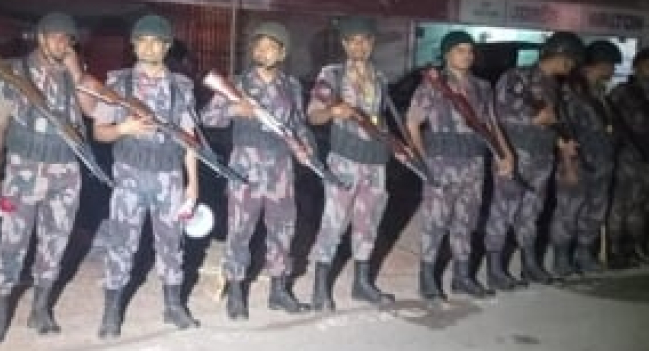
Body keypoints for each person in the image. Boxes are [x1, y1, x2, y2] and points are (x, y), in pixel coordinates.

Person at [0, 12, 88, 344]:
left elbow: (90, 110)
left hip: (65, 170)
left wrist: (76, 72)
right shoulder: (13, 72)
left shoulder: (73, 74)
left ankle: (40, 309)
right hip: (23, 170)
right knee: (12, 242)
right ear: (40, 38)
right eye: (56, 36)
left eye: (68, 39)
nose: (62, 43)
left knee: (55, 241)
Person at [93, 14, 200, 336]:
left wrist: (193, 184)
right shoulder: (118, 84)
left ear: (167, 47)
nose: (149, 47)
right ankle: (111, 312)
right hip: (130, 175)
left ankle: (173, 306)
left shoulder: (182, 87)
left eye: (156, 42)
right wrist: (122, 128)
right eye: (143, 41)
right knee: (121, 242)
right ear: (134, 45)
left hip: (169, 176)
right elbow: (99, 132)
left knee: (171, 242)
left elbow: (189, 137)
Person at [202, 21, 311, 320]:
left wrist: (306, 148)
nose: (263, 52)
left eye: (270, 47)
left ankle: (279, 291)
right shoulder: (237, 84)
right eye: (259, 47)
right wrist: (233, 109)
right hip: (245, 168)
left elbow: (299, 125)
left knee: (283, 230)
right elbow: (207, 118)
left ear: (282, 53)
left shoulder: (291, 86)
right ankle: (236, 292)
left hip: (281, 168)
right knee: (240, 230)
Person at [407, 30, 513, 300]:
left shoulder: (482, 87)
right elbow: (412, 123)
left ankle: (462, 277)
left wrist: (505, 154)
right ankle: (427, 279)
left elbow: (491, 124)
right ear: (446, 54)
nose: (467, 56)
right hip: (441, 163)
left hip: (473, 163)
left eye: (470, 51)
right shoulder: (433, 84)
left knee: (466, 222)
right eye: (460, 50)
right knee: (435, 223)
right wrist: (422, 160)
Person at [307, 16, 395, 310]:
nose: (360, 46)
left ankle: (362, 284)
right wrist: (333, 113)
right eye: (353, 41)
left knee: (368, 224)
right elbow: (313, 115)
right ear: (345, 44)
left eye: (365, 40)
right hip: (345, 160)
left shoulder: (380, 77)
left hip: (375, 162)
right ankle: (320, 289)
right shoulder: (332, 75)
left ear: (372, 43)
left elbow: (380, 118)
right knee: (334, 223)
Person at [484, 31, 584, 289]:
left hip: (542, 156)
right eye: (571, 60)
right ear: (560, 54)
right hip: (515, 153)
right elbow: (496, 115)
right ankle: (494, 268)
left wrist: (563, 142)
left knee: (531, 213)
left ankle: (529, 264)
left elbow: (556, 123)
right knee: (503, 210)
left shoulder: (554, 86)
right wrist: (534, 120)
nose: (572, 66)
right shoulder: (516, 76)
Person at [550, 41, 621, 277]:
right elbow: (564, 133)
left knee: (595, 212)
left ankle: (584, 255)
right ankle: (561, 258)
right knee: (568, 212)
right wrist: (568, 167)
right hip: (578, 162)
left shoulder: (599, 93)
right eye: (610, 65)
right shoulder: (571, 93)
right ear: (598, 65)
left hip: (602, 162)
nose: (612, 70)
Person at [608, 47, 649, 267]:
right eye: (648, 65)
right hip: (628, 157)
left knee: (643, 206)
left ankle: (636, 248)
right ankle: (615, 251)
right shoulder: (623, 92)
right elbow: (611, 124)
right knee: (621, 205)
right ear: (636, 67)